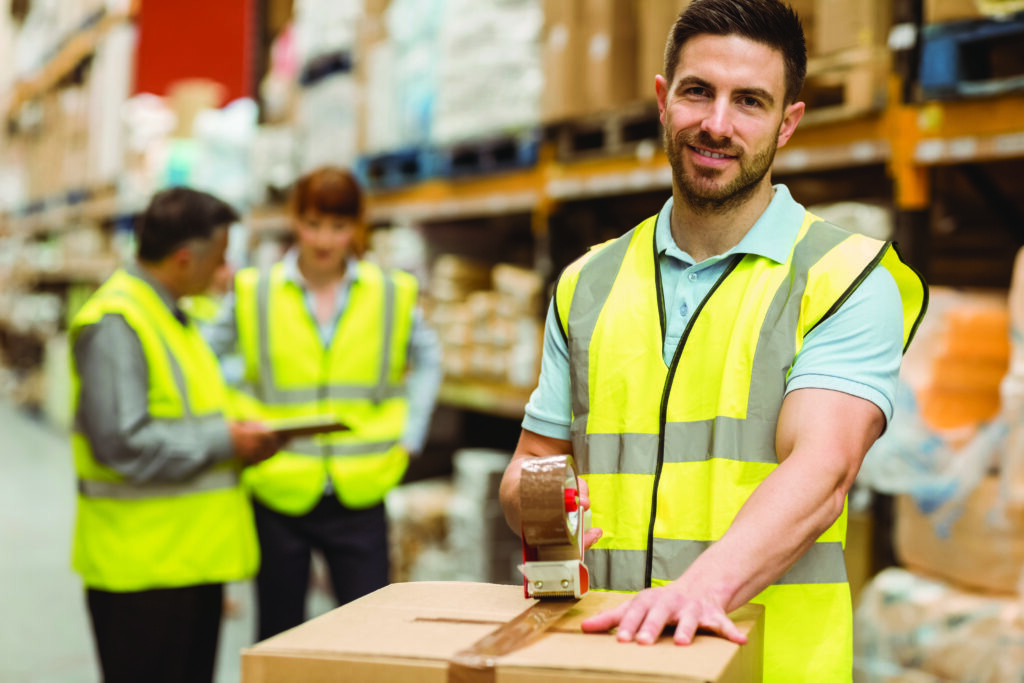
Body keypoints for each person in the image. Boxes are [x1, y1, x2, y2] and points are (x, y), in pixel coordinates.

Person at [498, 1, 927, 680]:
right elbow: (532, 467)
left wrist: (698, 590)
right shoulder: (589, 282)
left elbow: (823, 469)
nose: (717, 124)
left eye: (749, 101)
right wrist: (550, 510)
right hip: (609, 659)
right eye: (699, 92)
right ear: (665, 100)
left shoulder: (843, 278)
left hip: (765, 664)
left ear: (787, 124)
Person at [205, 165, 443, 640]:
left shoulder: (391, 292)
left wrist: (411, 435)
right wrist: (233, 420)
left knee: (369, 635)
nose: (324, 239)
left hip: (362, 484)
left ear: (357, 226)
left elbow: (429, 360)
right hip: (279, 482)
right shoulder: (255, 290)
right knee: (278, 631)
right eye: (313, 223)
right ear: (295, 219)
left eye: (338, 226)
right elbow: (202, 357)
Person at [69, 187, 286, 683]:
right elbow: (121, 442)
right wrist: (225, 443)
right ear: (185, 258)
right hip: (141, 575)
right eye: (220, 258)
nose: (225, 270)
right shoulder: (116, 323)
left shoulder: (175, 315)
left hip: (186, 565)